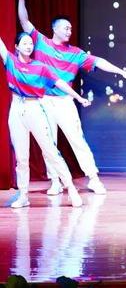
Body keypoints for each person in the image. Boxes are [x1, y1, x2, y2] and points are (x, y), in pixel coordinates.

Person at [17, 0, 126, 195]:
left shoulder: (76, 54)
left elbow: (99, 62)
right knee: (48, 143)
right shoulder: (41, 42)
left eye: (71, 29)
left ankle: (93, 178)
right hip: (43, 101)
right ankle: (55, 181)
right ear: (55, 29)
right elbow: (24, 21)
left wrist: (121, 72)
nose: (69, 31)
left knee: (77, 139)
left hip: (64, 101)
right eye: (66, 28)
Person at [1, 32, 89, 208]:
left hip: (35, 108)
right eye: (24, 43)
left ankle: (71, 189)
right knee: (21, 158)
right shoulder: (10, 61)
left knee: (51, 152)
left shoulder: (40, 67)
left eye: (30, 43)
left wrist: (78, 97)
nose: (29, 46)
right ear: (16, 47)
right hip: (16, 110)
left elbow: (60, 83)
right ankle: (23, 196)